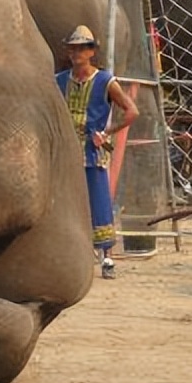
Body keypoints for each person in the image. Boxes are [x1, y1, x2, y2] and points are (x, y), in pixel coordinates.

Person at [56, 25, 139, 279]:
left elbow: (132, 111)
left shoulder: (104, 81)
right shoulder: (60, 81)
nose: (76, 53)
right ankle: (70, 253)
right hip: (66, 150)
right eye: (73, 48)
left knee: (99, 200)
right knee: (65, 201)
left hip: (93, 150)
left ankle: (107, 257)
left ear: (91, 51)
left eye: (81, 48)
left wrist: (107, 132)